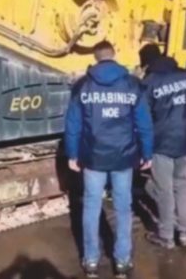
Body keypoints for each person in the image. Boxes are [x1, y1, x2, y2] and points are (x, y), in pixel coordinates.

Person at [64, 41, 154, 278]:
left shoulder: (82, 86)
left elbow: (72, 125)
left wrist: (72, 154)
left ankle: (91, 261)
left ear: (95, 58)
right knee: (123, 208)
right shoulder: (132, 85)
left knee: (91, 207)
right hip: (124, 157)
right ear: (114, 56)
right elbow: (144, 123)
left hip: (93, 157)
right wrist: (147, 153)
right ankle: (122, 261)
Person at [138, 43, 186, 249]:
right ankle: (184, 232)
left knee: (164, 189)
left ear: (147, 62)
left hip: (162, 142)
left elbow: (144, 120)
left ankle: (166, 236)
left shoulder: (149, 84)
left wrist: (143, 148)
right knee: (182, 183)